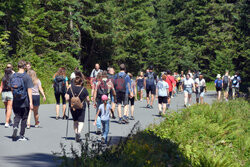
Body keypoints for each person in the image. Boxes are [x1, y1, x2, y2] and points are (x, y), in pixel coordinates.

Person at [10, 60, 33, 141]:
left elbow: (12, 88)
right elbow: (29, 90)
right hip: (25, 100)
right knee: (24, 118)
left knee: (17, 116)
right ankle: (21, 135)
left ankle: (15, 126)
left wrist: (14, 96)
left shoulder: (13, 76)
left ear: (17, 67)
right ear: (25, 67)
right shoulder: (27, 77)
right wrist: (31, 102)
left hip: (15, 99)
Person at [65, 71, 89, 142]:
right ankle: (78, 133)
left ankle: (76, 133)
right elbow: (87, 99)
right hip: (81, 106)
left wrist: (69, 100)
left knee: (75, 121)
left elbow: (67, 97)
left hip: (72, 107)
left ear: (74, 82)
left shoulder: (70, 89)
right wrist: (88, 103)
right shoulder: (84, 89)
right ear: (81, 82)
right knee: (81, 121)